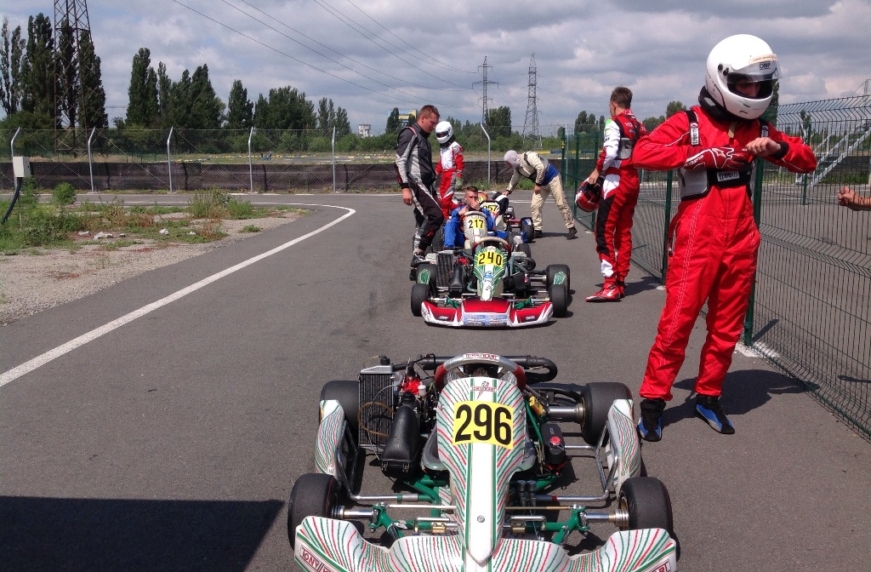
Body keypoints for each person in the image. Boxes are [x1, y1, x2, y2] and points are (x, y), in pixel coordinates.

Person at [632, 34, 817, 442]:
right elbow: (642, 153)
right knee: (677, 322)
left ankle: (708, 395)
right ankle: (653, 403)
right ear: (722, 80)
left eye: (758, 85)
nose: (752, 92)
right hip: (697, 237)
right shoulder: (691, 122)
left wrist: (777, 148)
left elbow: (808, 161)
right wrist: (696, 155)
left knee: (727, 327)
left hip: (741, 238)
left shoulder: (761, 128)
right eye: (744, 84)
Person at [585, 87, 648, 302]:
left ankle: (610, 283)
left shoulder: (614, 123)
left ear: (613, 103)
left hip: (616, 180)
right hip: (633, 180)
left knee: (603, 232)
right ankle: (620, 281)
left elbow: (610, 151)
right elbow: (648, 148)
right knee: (624, 232)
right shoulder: (639, 125)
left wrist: (597, 170)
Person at [395, 105, 444, 267]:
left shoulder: (423, 138)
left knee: (423, 222)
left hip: (427, 185)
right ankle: (419, 252)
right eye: (432, 122)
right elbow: (400, 161)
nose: (434, 127)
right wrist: (405, 188)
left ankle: (418, 257)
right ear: (422, 118)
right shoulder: (410, 133)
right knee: (436, 216)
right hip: (416, 184)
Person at [504, 150, 577, 240]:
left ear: (513, 159)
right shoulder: (517, 167)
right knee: (535, 206)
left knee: (561, 203)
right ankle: (538, 230)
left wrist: (537, 184)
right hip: (541, 184)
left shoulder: (529, 157)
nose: (508, 165)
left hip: (552, 179)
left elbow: (541, 167)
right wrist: (508, 190)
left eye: (508, 163)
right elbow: (515, 178)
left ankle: (571, 228)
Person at [434, 121, 464, 219]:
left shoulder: (455, 146)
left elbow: (459, 162)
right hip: (444, 174)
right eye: (439, 135)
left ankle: (448, 216)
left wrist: (459, 177)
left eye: (443, 134)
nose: (441, 136)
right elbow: (441, 162)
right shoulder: (442, 148)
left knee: (445, 200)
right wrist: (435, 174)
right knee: (441, 199)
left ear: (449, 132)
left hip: (452, 174)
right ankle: (456, 210)